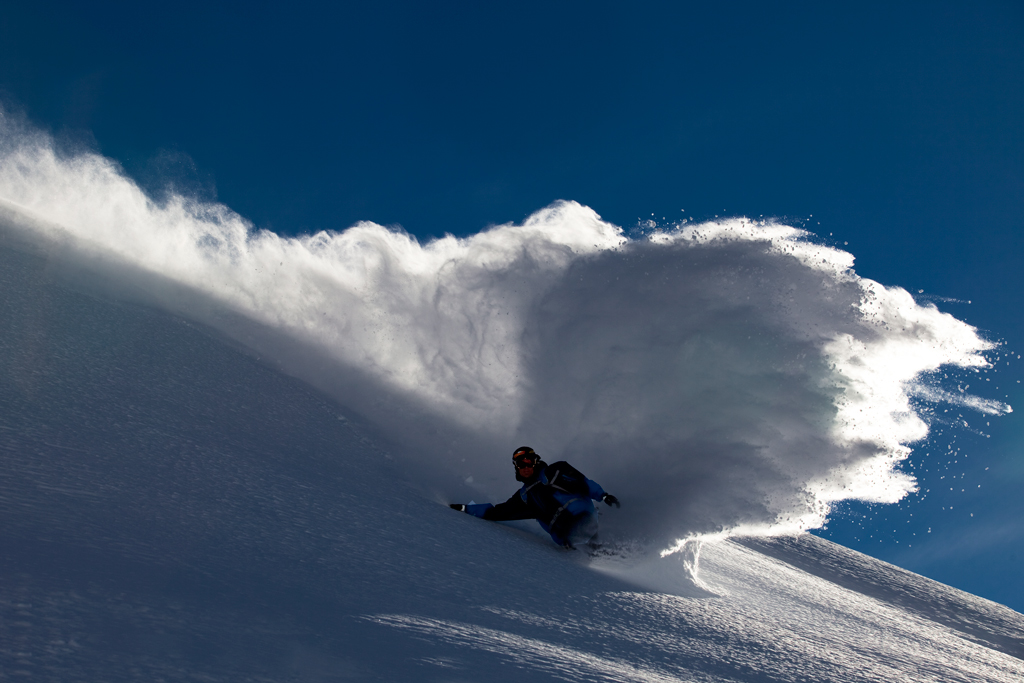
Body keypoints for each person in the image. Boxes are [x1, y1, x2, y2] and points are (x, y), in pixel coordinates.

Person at [449, 446, 620, 548]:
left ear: (535, 461)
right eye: (520, 464)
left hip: (585, 517)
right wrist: (467, 509)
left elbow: (583, 482)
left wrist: (603, 496)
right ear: (516, 467)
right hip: (568, 538)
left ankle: (623, 552)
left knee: (598, 539)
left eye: (528, 462)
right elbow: (498, 512)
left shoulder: (555, 471)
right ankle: (605, 554)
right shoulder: (525, 497)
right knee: (589, 547)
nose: (525, 467)